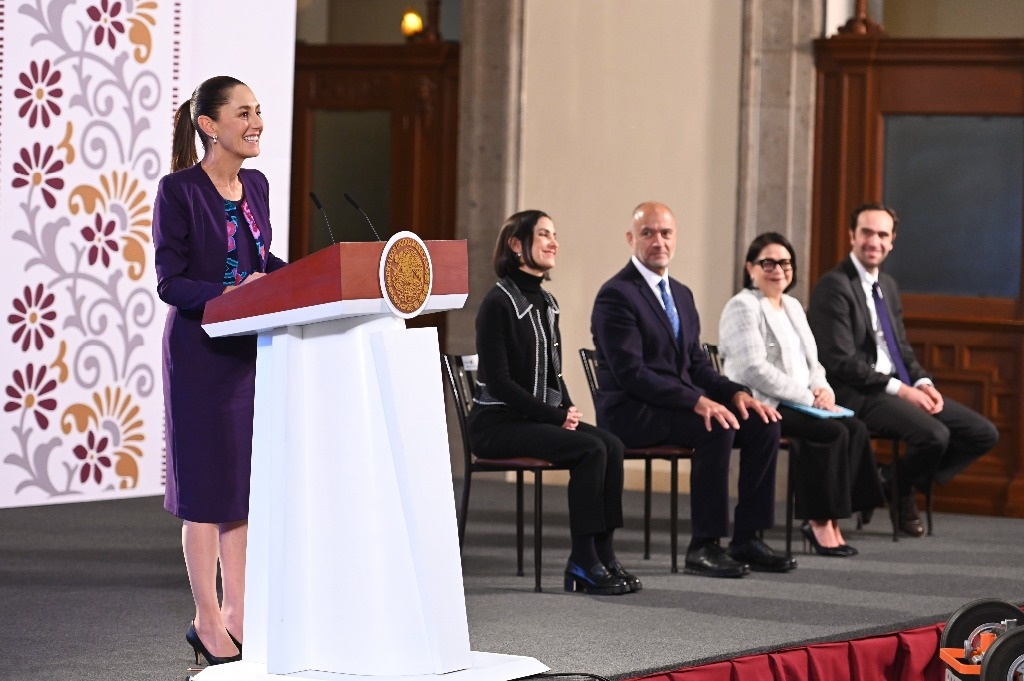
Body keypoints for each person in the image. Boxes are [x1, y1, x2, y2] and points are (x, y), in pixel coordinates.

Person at [153, 76, 287, 666]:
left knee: (240, 489)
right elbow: (171, 282)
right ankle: (207, 620)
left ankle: (239, 612)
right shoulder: (178, 189)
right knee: (206, 492)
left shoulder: (255, 184)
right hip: (201, 354)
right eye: (243, 113)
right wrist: (236, 291)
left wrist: (307, 278)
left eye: (258, 112)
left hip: (248, 352)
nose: (255, 122)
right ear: (209, 125)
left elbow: (266, 262)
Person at [591, 201, 793, 579]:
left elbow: (697, 365)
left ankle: (747, 537)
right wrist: (698, 401)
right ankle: (704, 545)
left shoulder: (680, 294)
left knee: (763, 422)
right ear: (631, 238)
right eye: (648, 233)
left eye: (666, 233)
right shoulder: (616, 295)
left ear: (675, 238)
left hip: (675, 406)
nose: (658, 241)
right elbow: (632, 373)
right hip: (631, 411)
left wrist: (736, 394)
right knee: (716, 425)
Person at [468, 210, 637, 595]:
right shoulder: (499, 302)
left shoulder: (547, 301)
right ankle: (582, 562)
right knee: (591, 450)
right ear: (516, 244)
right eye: (543, 234)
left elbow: (554, 375)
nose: (553, 242)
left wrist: (569, 412)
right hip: (497, 426)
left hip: (534, 421)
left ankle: (604, 554)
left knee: (611, 444)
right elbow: (499, 381)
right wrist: (555, 416)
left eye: (554, 234)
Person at [807, 202, 998, 536]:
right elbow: (840, 361)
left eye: (882, 234)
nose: (874, 241)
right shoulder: (833, 286)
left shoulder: (889, 286)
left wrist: (923, 382)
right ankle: (900, 489)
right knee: (934, 436)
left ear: (892, 241)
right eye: (866, 232)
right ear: (852, 236)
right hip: (857, 391)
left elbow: (901, 349)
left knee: (982, 433)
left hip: (895, 385)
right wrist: (902, 390)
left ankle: (890, 481)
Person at [718, 232, 885, 557]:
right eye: (768, 262)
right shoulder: (743, 305)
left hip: (800, 399)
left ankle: (836, 516)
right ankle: (819, 522)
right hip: (763, 401)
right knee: (830, 431)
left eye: (785, 263)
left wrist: (822, 389)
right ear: (750, 267)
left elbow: (813, 362)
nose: (778, 269)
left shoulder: (793, 305)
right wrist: (808, 399)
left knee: (856, 427)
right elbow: (754, 369)